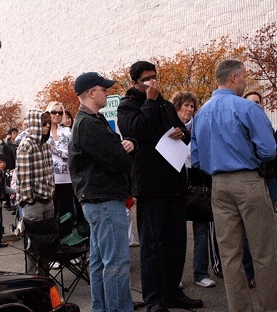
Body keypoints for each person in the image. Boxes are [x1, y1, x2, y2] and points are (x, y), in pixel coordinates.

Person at [191, 59, 277, 312]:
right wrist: (249, 156)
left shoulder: (202, 113)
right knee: (264, 250)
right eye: (243, 77)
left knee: (229, 254)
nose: (245, 82)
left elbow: (196, 157)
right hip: (247, 180)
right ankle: (270, 306)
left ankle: (239, 308)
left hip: (218, 184)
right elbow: (269, 149)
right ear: (233, 78)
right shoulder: (247, 108)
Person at [117, 61, 202, 312]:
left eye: (154, 77)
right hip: (150, 185)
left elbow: (183, 132)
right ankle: (154, 299)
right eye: (146, 79)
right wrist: (150, 101)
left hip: (174, 181)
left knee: (175, 243)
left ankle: (173, 292)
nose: (152, 82)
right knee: (152, 245)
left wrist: (180, 132)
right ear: (135, 82)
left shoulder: (165, 104)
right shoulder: (128, 106)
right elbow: (138, 130)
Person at [68, 72, 135, 312]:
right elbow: (116, 160)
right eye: (103, 89)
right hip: (104, 200)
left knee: (99, 262)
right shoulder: (88, 124)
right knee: (116, 263)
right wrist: (127, 148)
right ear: (91, 93)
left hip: (96, 200)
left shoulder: (88, 121)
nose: (107, 93)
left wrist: (121, 149)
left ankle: (102, 308)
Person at [171, 91, 216, 288]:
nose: (189, 109)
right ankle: (175, 275)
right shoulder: (169, 126)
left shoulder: (200, 126)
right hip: (177, 181)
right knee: (176, 233)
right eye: (186, 105)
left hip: (199, 179)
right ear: (177, 106)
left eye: (192, 106)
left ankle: (201, 273)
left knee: (201, 229)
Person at [15, 109, 54, 275]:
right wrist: (30, 200)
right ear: (35, 125)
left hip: (48, 200)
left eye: (48, 123)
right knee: (33, 245)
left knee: (47, 244)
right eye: (43, 123)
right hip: (34, 203)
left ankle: (44, 277)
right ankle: (31, 279)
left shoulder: (45, 145)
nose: (46, 126)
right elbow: (23, 179)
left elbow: (50, 172)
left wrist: (51, 192)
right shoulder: (26, 146)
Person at [46, 101, 74, 237]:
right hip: (49, 178)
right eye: (54, 112)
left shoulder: (67, 131)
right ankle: (54, 246)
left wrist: (54, 150)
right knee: (51, 213)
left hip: (66, 178)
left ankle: (67, 243)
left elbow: (70, 153)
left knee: (67, 213)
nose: (57, 115)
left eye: (60, 112)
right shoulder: (43, 132)